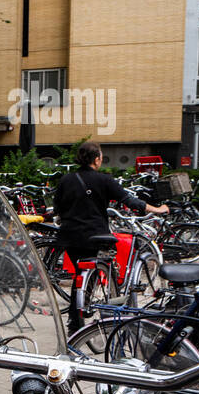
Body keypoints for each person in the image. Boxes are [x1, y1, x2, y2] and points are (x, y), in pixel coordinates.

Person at [54, 141, 169, 331]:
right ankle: (112, 303)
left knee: (79, 275)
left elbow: (58, 206)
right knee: (106, 263)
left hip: (70, 236)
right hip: (95, 234)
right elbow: (130, 201)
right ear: (97, 159)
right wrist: (157, 209)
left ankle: (76, 319)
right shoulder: (104, 179)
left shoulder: (66, 179)